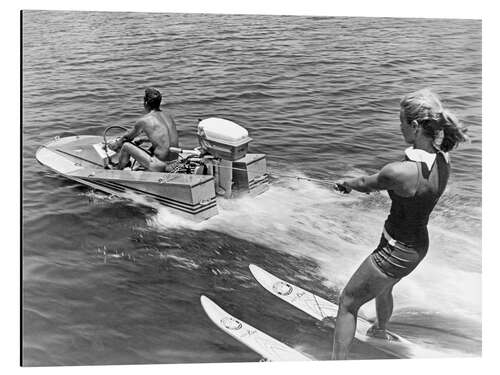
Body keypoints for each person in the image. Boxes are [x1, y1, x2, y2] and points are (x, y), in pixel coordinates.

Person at [331, 88, 468, 360]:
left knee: (347, 302)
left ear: (415, 127)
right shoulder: (444, 159)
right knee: (386, 286)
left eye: (402, 123)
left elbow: (364, 184)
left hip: (394, 252)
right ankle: (380, 330)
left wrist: (346, 184)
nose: (400, 128)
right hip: (417, 246)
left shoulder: (399, 172)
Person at [109, 87, 179, 171]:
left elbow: (127, 138)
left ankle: (117, 169)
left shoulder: (144, 120)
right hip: (174, 164)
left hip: (159, 166)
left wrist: (115, 144)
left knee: (126, 146)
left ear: (145, 103)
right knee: (152, 148)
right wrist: (143, 139)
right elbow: (164, 138)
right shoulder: (169, 117)